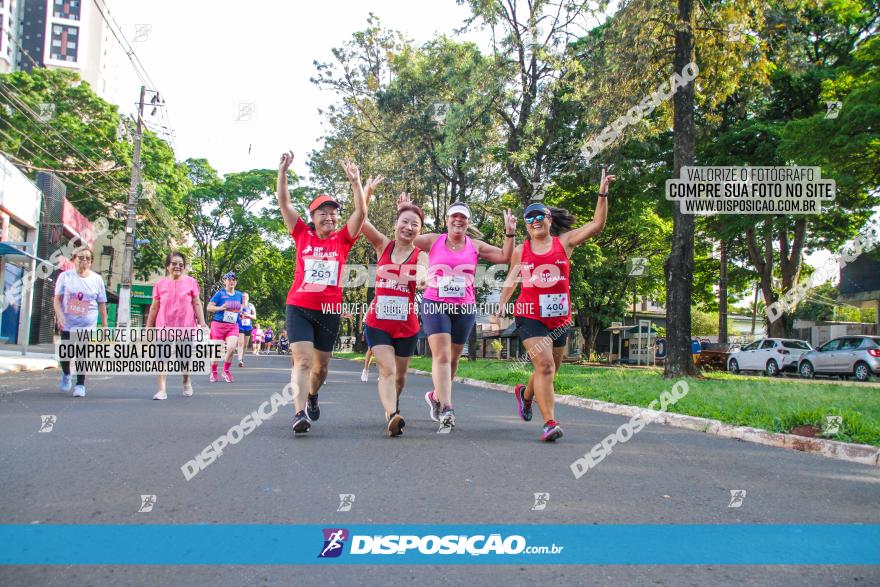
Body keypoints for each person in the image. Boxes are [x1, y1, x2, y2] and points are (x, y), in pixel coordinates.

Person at [498, 169, 615, 441]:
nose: (536, 220)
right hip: (530, 315)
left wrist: (602, 193)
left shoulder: (565, 243)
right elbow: (511, 279)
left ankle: (525, 395)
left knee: (549, 369)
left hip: (560, 317)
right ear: (526, 225)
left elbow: (597, 225)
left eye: (541, 216)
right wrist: (502, 306)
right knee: (546, 366)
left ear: (549, 220)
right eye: (530, 218)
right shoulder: (521, 251)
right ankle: (550, 423)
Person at [398, 194, 516, 431]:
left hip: (464, 307)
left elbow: (505, 257)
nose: (458, 220)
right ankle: (447, 407)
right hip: (435, 304)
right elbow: (405, 237)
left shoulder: (475, 246)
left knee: (452, 360)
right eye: (455, 216)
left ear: (467, 221)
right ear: (447, 219)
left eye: (463, 216)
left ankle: (435, 396)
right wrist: (403, 213)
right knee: (441, 356)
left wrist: (510, 233)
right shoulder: (433, 240)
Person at [277, 151, 371, 434]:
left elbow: (361, 214)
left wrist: (356, 183)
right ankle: (298, 412)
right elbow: (284, 201)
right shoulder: (301, 233)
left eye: (333, 212)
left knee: (321, 368)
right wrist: (282, 172)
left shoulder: (342, 239)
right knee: (303, 361)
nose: (330, 216)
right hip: (299, 307)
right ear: (312, 216)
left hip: (329, 311)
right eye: (323, 212)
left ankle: (313, 396)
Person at [360, 188, 429, 436]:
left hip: (406, 326)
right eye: (404, 222)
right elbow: (362, 220)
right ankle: (391, 415)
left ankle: (394, 405)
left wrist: (421, 278)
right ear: (395, 224)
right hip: (378, 322)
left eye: (415, 224)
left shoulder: (421, 255)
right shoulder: (383, 245)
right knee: (387, 369)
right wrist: (364, 191)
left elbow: (422, 270)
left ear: (419, 230)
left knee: (400, 377)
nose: (409, 227)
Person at [146, 251, 208, 400]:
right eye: (174, 263)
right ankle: (162, 390)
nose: (177, 266)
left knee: (184, 358)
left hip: (186, 326)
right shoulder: (160, 284)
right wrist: (149, 327)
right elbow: (154, 307)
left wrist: (203, 324)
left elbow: (197, 303)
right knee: (161, 357)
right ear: (168, 266)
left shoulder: (191, 282)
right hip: (164, 326)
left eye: (181, 264)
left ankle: (186, 381)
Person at [53, 246, 108, 398]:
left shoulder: (97, 279)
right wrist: (59, 316)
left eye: (88, 259)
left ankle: (80, 384)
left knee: (82, 353)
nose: (84, 261)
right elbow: (57, 300)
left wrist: (104, 326)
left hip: (87, 324)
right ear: (74, 259)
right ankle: (66, 374)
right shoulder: (65, 277)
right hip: (68, 323)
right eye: (81, 257)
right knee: (66, 354)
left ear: (91, 262)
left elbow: (102, 304)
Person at [205, 272, 243, 383]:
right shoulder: (220, 294)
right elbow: (209, 307)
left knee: (231, 348)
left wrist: (240, 312)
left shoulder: (239, 295)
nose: (232, 281)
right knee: (216, 352)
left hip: (232, 325)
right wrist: (221, 307)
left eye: (234, 279)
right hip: (218, 325)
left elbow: (239, 308)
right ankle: (214, 371)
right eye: (229, 279)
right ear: (224, 281)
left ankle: (225, 371)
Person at [237, 293, 256, 367]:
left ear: (248, 298)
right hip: (240, 326)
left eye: (246, 297)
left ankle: (242, 358)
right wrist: (239, 316)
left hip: (248, 327)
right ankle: (239, 360)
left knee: (245, 345)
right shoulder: (238, 305)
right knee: (240, 343)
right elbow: (234, 315)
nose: (244, 298)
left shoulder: (251, 306)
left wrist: (248, 315)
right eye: (243, 297)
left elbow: (254, 317)